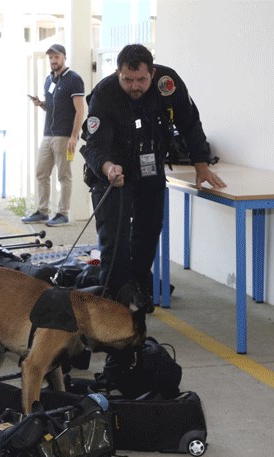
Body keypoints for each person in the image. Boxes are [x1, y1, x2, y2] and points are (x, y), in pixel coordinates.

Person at [80, 43, 226, 310]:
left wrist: (201, 164)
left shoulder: (167, 84)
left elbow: (190, 123)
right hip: (111, 171)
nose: (134, 86)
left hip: (150, 166)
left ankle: (137, 284)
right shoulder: (105, 93)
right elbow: (94, 145)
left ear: (153, 73)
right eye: (127, 80)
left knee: (148, 231)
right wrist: (108, 168)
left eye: (141, 80)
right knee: (115, 238)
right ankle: (114, 298)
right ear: (118, 73)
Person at [24, 44, 85, 227]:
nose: (53, 60)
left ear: (64, 57)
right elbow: (52, 106)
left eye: (56, 57)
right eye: (50, 57)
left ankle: (63, 213)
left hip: (64, 136)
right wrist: (41, 104)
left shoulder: (74, 79)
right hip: (48, 134)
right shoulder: (49, 80)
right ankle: (42, 211)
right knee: (41, 173)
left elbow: (80, 110)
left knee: (64, 176)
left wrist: (74, 136)